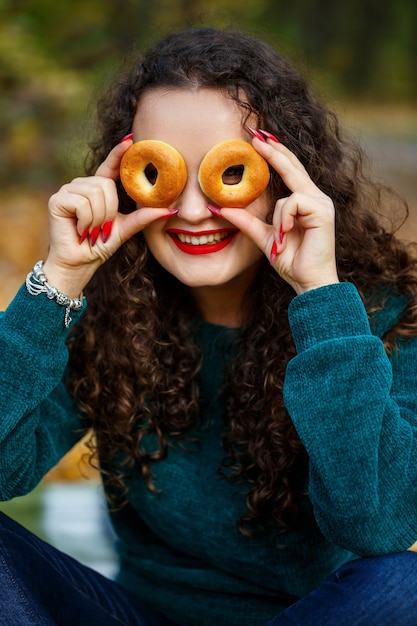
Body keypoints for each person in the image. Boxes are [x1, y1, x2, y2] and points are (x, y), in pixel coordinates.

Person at [1, 26, 417, 626]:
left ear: (284, 174)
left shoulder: (384, 318)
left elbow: (378, 522)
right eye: (164, 172)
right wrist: (58, 280)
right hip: (140, 616)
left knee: (404, 585)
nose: (193, 211)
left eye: (227, 173)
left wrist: (321, 297)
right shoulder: (112, 312)